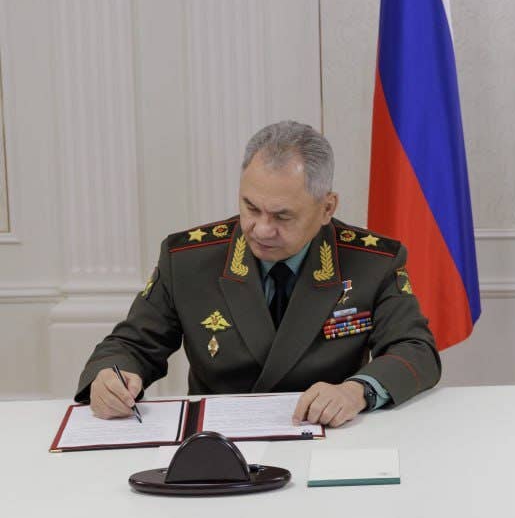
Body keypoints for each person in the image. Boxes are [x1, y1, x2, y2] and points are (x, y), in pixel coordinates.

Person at [76, 121, 441, 426]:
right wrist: (110, 376)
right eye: (250, 207)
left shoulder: (372, 261)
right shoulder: (187, 259)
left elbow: (416, 350)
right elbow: (131, 346)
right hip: (218, 444)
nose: (261, 229)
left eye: (282, 216)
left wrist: (355, 391)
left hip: (324, 435)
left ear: (327, 207)